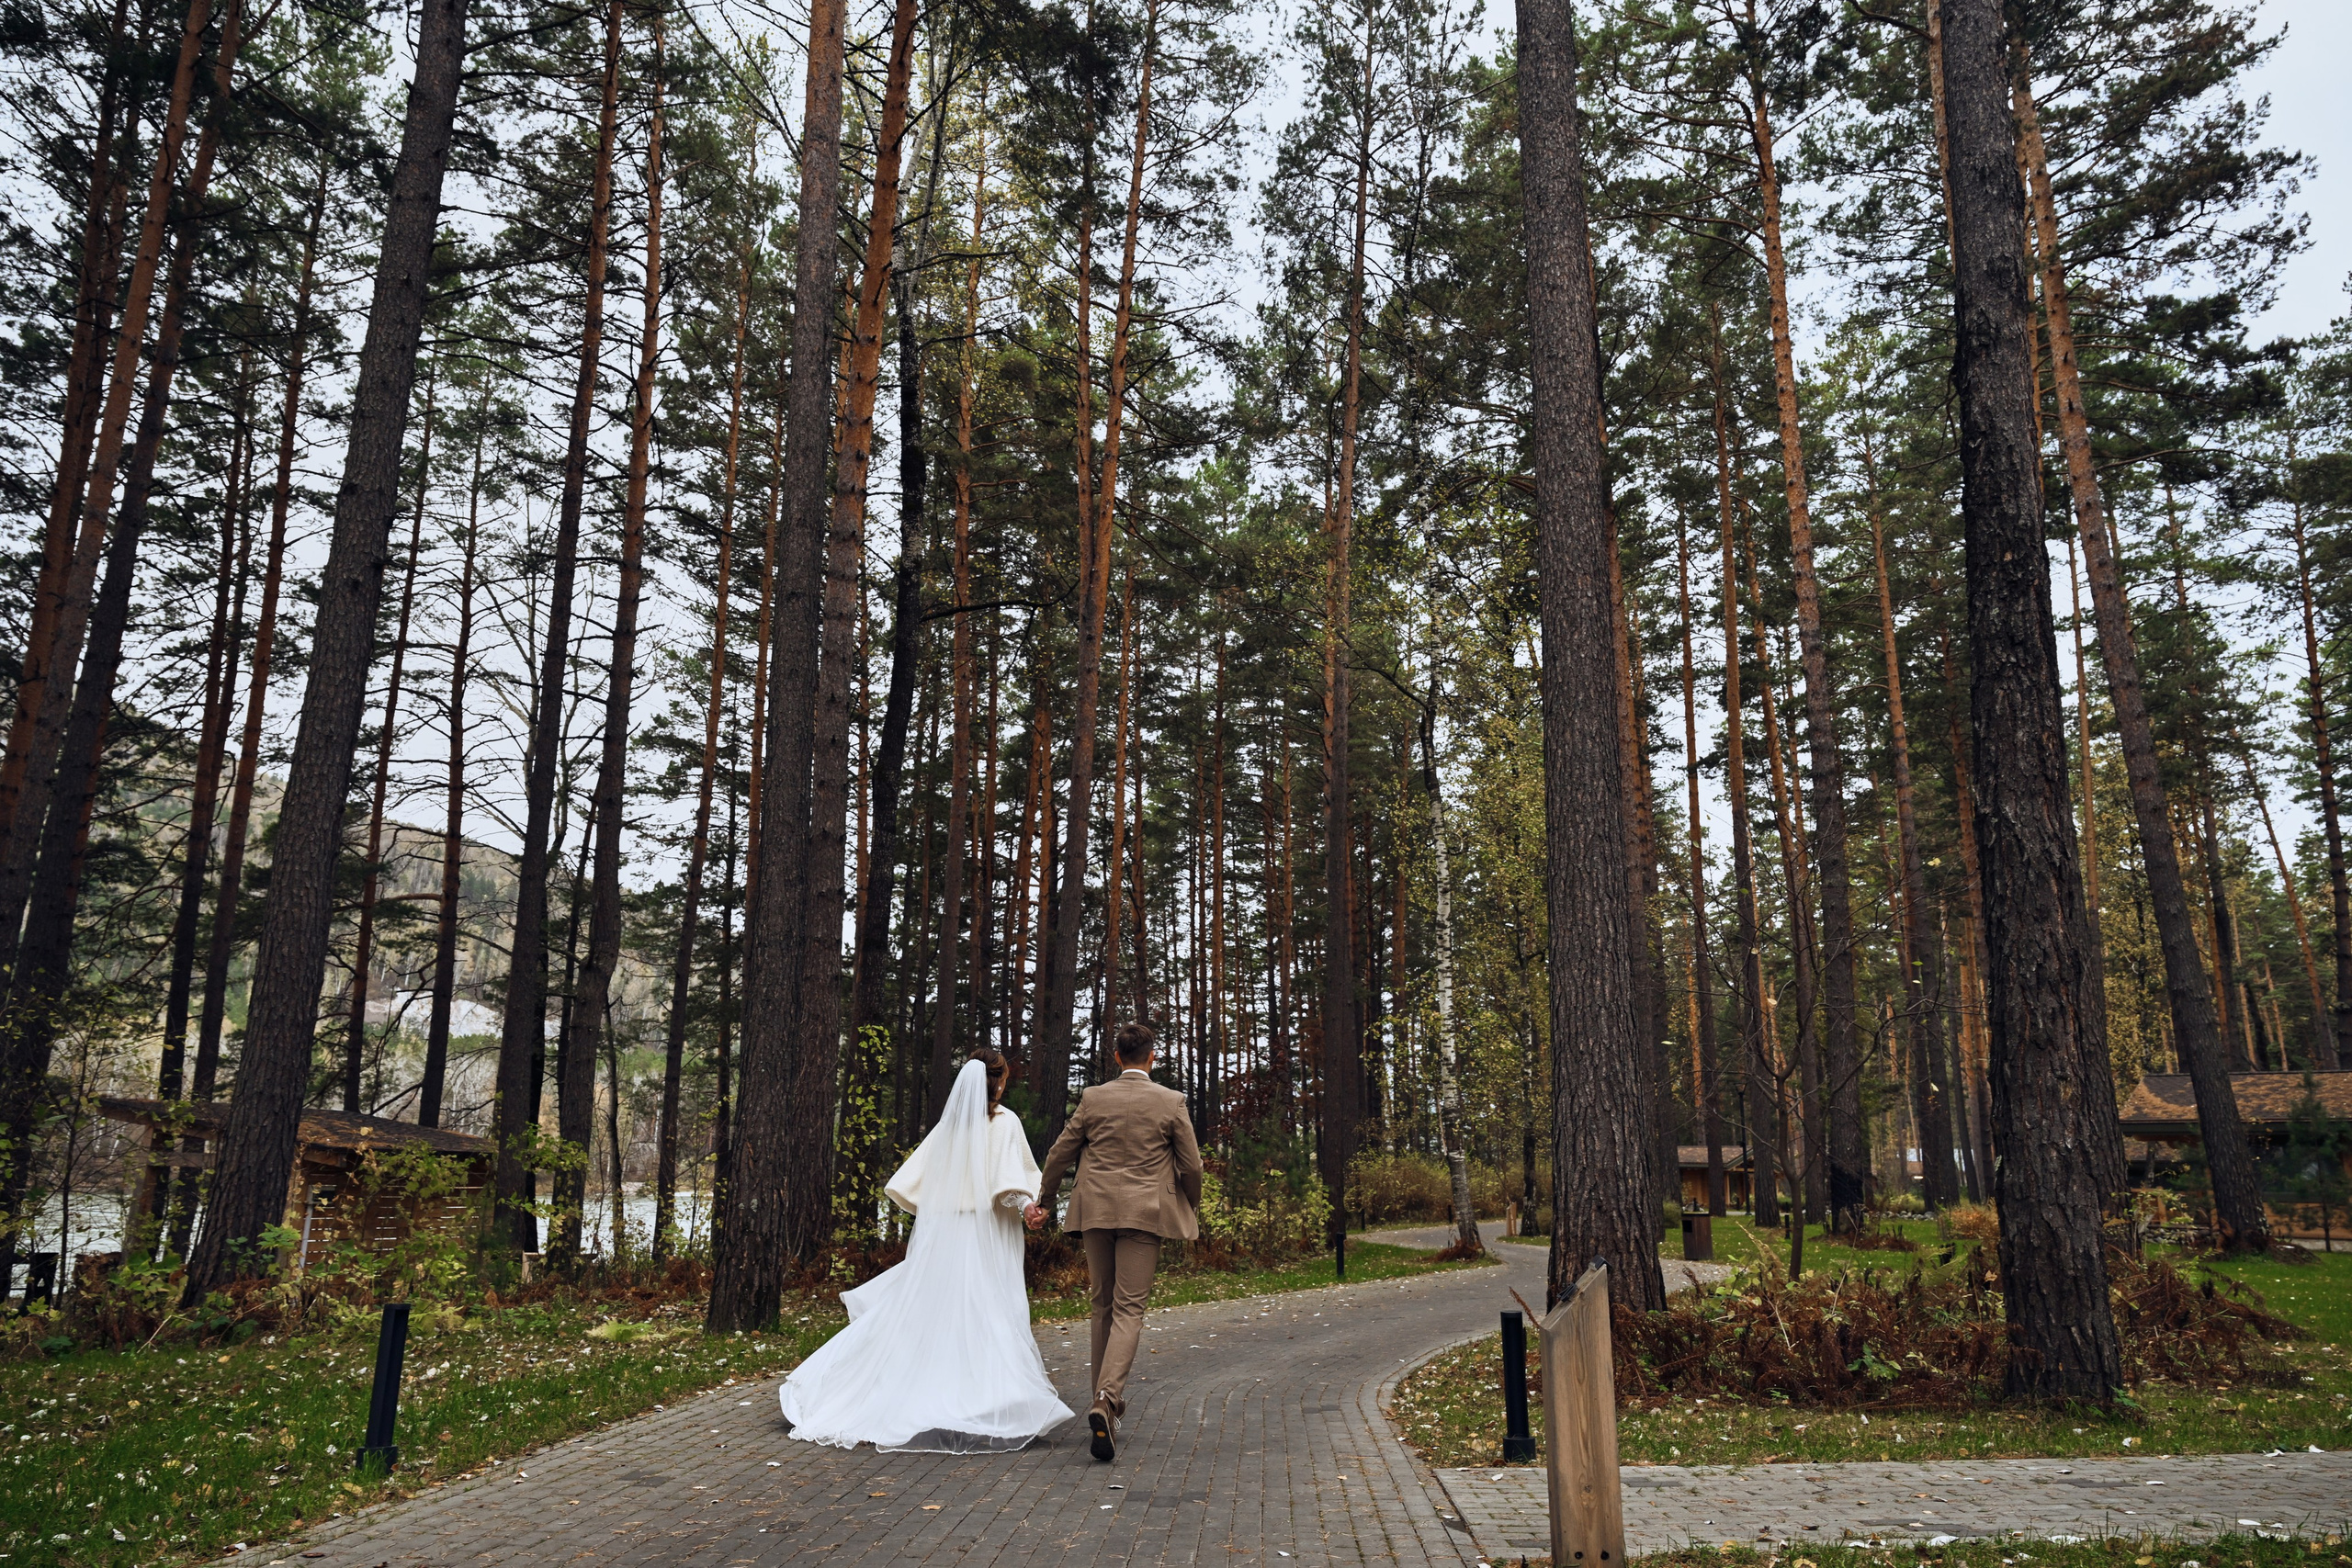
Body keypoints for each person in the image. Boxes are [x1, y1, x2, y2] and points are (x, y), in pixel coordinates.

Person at [777, 1048, 1073, 1452]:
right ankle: (983, 1402)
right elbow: (1009, 1182)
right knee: (989, 1308)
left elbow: (925, 1183)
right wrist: (1029, 1210)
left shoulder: (949, 1127)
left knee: (938, 1311)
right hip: (987, 1234)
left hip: (949, 1232)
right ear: (999, 1081)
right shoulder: (1004, 1122)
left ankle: (933, 1395)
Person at [1025, 1021, 1203, 1461]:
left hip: (1097, 1211)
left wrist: (1045, 1201)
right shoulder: (1171, 1102)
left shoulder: (1093, 1098)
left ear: (1118, 1058)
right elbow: (1192, 1166)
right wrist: (1190, 1206)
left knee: (1102, 1303)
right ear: (1152, 1057)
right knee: (1129, 1308)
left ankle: (1101, 1403)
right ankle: (1106, 1400)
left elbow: (1059, 1153)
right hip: (1146, 1215)